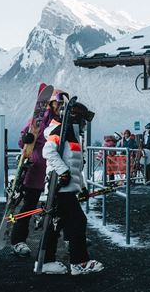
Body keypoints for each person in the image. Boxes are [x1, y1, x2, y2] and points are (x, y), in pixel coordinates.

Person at [41, 99, 103, 275]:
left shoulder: (73, 134)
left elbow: (75, 164)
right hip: (59, 187)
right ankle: (79, 262)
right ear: (75, 117)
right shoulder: (62, 130)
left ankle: (46, 262)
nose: (84, 124)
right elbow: (48, 151)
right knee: (77, 221)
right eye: (83, 119)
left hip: (66, 187)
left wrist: (81, 185)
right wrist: (63, 172)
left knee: (55, 224)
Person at [10, 89, 67, 257]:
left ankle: (70, 237)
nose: (61, 107)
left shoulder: (63, 123)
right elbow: (23, 141)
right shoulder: (38, 122)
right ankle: (18, 241)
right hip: (36, 170)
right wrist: (26, 139)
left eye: (63, 104)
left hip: (54, 171)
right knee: (28, 205)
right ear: (50, 104)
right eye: (58, 103)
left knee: (62, 206)